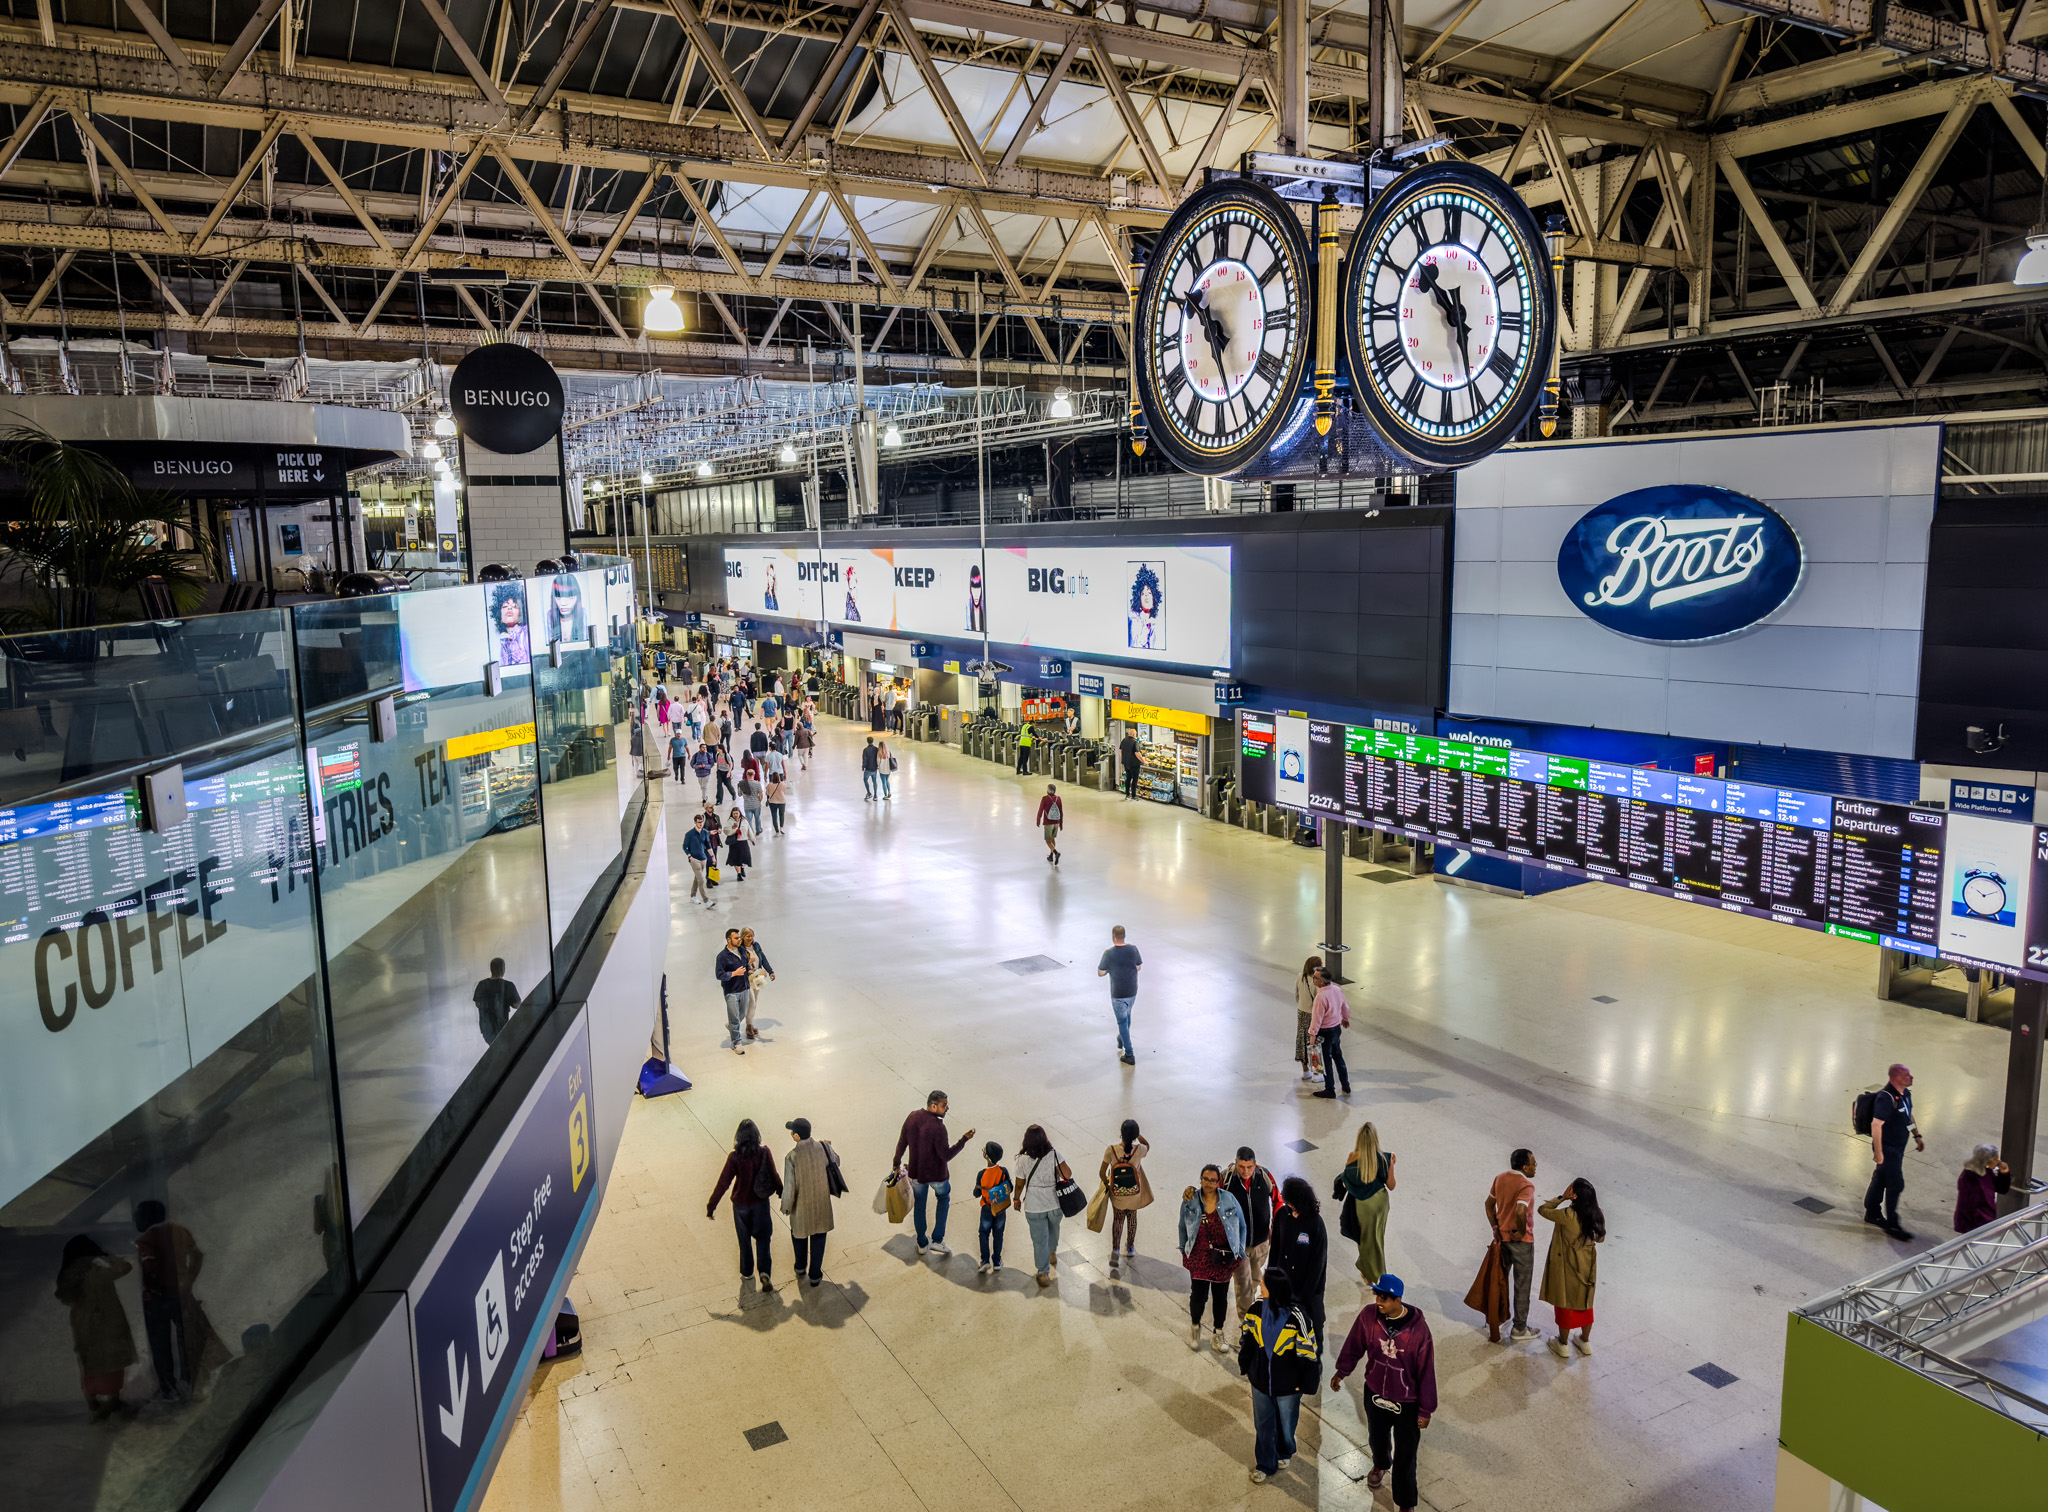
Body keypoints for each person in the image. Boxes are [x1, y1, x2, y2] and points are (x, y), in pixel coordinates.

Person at [1330, 1274, 1437, 1512]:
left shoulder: (1419, 1331)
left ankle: (1405, 1503)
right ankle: (1380, 1464)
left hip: (1407, 1401)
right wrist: (1342, 1371)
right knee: (1377, 1438)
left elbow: (1426, 1371)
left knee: (1406, 1455)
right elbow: (1354, 1344)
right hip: (1375, 1392)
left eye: (1384, 1298)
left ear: (1398, 1299)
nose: (1378, 1301)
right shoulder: (1369, 1316)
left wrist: (1425, 1410)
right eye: (1377, 1295)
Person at [1239, 1266, 1319, 1484]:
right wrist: (1246, 1366)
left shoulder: (1298, 1318)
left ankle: (1285, 1451)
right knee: (1263, 1426)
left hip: (1289, 1387)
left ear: (1274, 1289)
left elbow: (1309, 1354)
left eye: (1264, 1284)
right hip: (1260, 1383)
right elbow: (1247, 1340)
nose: (1260, 1286)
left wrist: (1305, 1385)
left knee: (1286, 1425)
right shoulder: (1255, 1310)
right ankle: (1265, 1464)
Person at [135, 1200, 220, 1401]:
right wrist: (188, 1281)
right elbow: (197, 1256)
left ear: (146, 1217)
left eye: (138, 1215)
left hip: (157, 1300)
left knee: (160, 1346)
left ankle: (168, 1388)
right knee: (187, 1342)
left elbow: (151, 1269)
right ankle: (189, 1382)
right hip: (182, 1295)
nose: (135, 1219)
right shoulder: (180, 1231)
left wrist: (155, 1291)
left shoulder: (146, 1239)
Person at [54, 1236, 135, 1420]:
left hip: (83, 1324)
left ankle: (93, 1403)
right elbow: (124, 1268)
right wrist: (107, 1255)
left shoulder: (67, 1274)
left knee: (89, 1363)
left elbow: (65, 1297)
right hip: (104, 1324)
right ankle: (113, 1402)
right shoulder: (94, 1270)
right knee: (111, 1362)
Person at [892, 1091, 974, 1258]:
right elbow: (946, 1155)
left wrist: (896, 1163)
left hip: (917, 1173)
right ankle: (937, 1240)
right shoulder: (938, 1128)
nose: (947, 1108)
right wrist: (963, 1140)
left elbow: (902, 1142)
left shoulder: (912, 1117)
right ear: (933, 1106)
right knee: (943, 1199)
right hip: (937, 1175)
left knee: (920, 1207)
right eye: (944, 1105)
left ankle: (922, 1243)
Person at [707, 1119, 783, 1289]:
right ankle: (764, 1273)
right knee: (763, 1239)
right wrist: (782, 1193)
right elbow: (774, 1174)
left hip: (741, 1206)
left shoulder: (734, 1157)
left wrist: (712, 1205)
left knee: (744, 1241)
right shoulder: (764, 1152)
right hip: (760, 1204)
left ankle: (747, 1272)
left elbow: (723, 1182)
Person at [1180, 1163, 1246, 1349]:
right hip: (1198, 1257)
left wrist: (1239, 1250)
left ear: (1218, 1182)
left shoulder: (1229, 1199)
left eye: (1213, 1180)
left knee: (1220, 1297)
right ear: (1200, 1179)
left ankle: (1218, 1333)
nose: (1209, 1183)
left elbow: (1242, 1225)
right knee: (1198, 1296)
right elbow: (1182, 1226)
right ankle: (1195, 1328)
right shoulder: (1190, 1199)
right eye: (1205, 1179)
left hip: (1223, 1258)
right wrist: (1184, 1250)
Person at [1539, 1177, 1606, 1359]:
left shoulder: (1568, 1215)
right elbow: (1601, 1238)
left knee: (1565, 1303)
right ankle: (1585, 1341)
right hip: (1587, 1266)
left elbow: (1543, 1210)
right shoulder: (1597, 1214)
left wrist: (1562, 1197)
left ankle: (1562, 1344)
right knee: (1585, 1303)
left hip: (1566, 1266)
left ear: (1574, 1195)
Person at [1487, 1149, 1540, 1345]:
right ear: (1525, 1167)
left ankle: (1495, 1320)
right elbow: (1520, 1210)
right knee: (1522, 1284)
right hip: (1521, 1242)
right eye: (1533, 1163)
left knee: (1499, 1281)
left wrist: (1495, 1227)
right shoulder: (1526, 1185)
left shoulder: (1500, 1178)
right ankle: (1519, 1328)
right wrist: (1521, 1231)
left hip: (1502, 1239)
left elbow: (1488, 1204)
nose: (1535, 1167)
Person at [1865, 1063, 1924, 1240]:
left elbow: (1908, 1116)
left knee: (1880, 1178)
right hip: (1887, 1149)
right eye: (1906, 1075)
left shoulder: (1905, 1094)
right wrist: (1878, 1152)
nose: (1911, 1077)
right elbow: (1876, 1125)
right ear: (1896, 1078)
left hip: (1898, 1148)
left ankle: (1872, 1212)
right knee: (1896, 1184)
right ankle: (1892, 1224)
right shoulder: (1885, 1097)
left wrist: (1916, 1135)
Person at [780, 1118, 838, 1288]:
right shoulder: (824, 1147)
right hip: (821, 1204)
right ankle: (815, 1275)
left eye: (792, 1132)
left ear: (797, 1136)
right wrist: (830, 1147)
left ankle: (800, 1267)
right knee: (819, 1237)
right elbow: (837, 1162)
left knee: (799, 1236)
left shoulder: (791, 1157)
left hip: (801, 1207)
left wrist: (786, 1206)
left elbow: (789, 1186)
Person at [1224, 1148, 1280, 1321]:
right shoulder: (1226, 1179)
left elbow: (1277, 1201)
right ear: (1236, 1163)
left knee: (1255, 1278)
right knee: (1243, 1285)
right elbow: (1210, 1199)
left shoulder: (1265, 1176)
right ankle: (1246, 1323)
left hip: (1261, 1241)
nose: (1245, 1171)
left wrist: (1274, 1227)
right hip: (1238, 1245)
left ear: (1255, 1164)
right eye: (1241, 1167)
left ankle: (1249, 1309)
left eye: (1249, 1167)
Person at [1271, 1177, 1328, 1342]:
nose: (1288, 1205)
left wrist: (1303, 1296)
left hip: (1308, 1290)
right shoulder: (1282, 1215)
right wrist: (1271, 1278)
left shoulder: (1315, 1223)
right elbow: (1275, 1250)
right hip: (1284, 1285)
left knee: (1312, 1327)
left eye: (1291, 1202)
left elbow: (1318, 1264)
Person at [1017, 1124, 1073, 1287]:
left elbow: (1020, 1184)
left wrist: (1016, 1199)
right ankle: (1052, 1252)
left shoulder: (1022, 1160)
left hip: (1034, 1206)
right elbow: (1067, 1174)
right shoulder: (1054, 1155)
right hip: (1055, 1203)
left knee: (1039, 1239)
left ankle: (1043, 1273)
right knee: (1054, 1229)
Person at [1340, 1122, 1396, 1282]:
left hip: (1362, 1205)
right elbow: (1391, 1186)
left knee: (1365, 1239)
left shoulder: (1351, 1157)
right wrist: (1392, 1165)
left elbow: (1345, 1183)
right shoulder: (1385, 1158)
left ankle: (1372, 1275)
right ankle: (1370, 1271)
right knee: (1377, 1238)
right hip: (1379, 1203)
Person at [1099, 1119, 1153, 1275]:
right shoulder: (1140, 1150)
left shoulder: (1111, 1150)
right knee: (1132, 1217)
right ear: (1135, 1135)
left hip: (1118, 1193)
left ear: (1120, 1133)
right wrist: (1138, 1135)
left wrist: (1107, 1182)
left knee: (1118, 1219)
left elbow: (1101, 1172)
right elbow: (1147, 1145)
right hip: (1134, 1192)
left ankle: (1115, 1250)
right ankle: (1130, 1247)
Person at [1097, 924, 1142, 1066]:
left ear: (1113, 937)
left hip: (1118, 993)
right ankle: (1122, 1038)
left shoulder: (1108, 953)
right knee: (1127, 1015)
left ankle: (1129, 1054)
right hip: (1132, 991)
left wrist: (1110, 969)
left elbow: (1100, 972)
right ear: (1124, 936)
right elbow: (1138, 967)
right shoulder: (1133, 949)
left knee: (1122, 1022)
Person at [1307, 965, 1352, 1098]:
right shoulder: (1337, 989)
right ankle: (1346, 1086)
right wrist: (1345, 1018)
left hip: (1324, 1032)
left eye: (1315, 978)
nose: (1313, 979)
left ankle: (1330, 1089)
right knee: (1338, 1057)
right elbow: (1344, 1006)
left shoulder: (1321, 997)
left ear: (1321, 981)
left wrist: (1312, 1035)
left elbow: (1317, 1018)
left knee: (1326, 1062)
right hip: (1336, 1029)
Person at [1956, 1144, 2013, 1232]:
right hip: (1975, 1224)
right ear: (1987, 1160)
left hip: (1985, 1220)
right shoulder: (1969, 1178)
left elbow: (2002, 1189)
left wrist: (2004, 1174)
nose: (1998, 1162)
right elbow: (1968, 1207)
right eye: (1995, 1159)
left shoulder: (1987, 1172)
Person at [976, 1140, 1012, 1275]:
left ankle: (985, 1260)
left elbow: (976, 1193)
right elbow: (1010, 1187)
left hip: (986, 1208)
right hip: (1000, 1208)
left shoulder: (981, 1174)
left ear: (987, 1156)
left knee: (984, 1233)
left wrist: (981, 1188)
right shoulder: (1003, 1171)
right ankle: (997, 1261)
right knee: (998, 1233)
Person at [715, 928, 751, 1054]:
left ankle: (731, 1026)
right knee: (735, 1018)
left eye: (740, 937)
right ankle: (736, 1043)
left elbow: (746, 964)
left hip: (744, 988)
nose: (739, 940)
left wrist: (749, 970)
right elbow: (719, 975)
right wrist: (734, 973)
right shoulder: (722, 957)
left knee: (742, 1013)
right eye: (736, 938)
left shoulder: (742, 950)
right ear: (728, 940)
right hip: (731, 992)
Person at [472, 958, 520, 1044]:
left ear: (491, 969)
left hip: (486, 1027)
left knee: (493, 1047)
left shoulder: (482, 984)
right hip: (502, 1026)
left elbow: (477, 1003)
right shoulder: (508, 985)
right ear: (502, 969)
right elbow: (516, 1005)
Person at [740, 928, 775, 1042]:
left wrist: (770, 971)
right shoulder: (740, 949)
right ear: (743, 937)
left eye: (752, 936)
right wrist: (747, 964)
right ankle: (748, 1026)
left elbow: (763, 959)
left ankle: (750, 1023)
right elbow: (738, 964)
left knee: (755, 1001)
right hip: (747, 979)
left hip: (758, 977)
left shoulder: (756, 946)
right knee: (751, 1002)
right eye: (748, 936)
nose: (751, 938)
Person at [1294, 954, 1323, 1082]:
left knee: (1302, 1042)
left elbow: (1296, 995)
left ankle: (1305, 1071)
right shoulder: (1317, 982)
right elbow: (1319, 1001)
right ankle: (1317, 1072)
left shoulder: (1300, 977)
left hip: (1301, 1013)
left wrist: (1302, 1006)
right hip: (1313, 1015)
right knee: (1314, 1044)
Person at [683, 812, 715, 907]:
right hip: (694, 860)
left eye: (702, 822)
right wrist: (690, 856)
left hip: (703, 859)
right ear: (695, 822)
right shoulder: (689, 834)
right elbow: (684, 846)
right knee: (701, 880)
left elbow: (708, 845)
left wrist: (713, 856)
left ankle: (693, 896)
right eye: (699, 822)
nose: (701, 824)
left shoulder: (705, 832)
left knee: (697, 878)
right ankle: (706, 900)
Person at [1035, 782, 1064, 866]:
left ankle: (1056, 852)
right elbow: (1061, 812)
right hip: (1056, 823)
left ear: (1048, 790)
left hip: (1048, 823)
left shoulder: (1045, 798)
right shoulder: (1058, 798)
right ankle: (1051, 856)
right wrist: (1061, 823)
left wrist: (1038, 820)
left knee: (1048, 840)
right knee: (1052, 839)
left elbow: (1040, 810)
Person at [723, 807, 753, 880]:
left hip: (743, 841)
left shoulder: (744, 821)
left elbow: (749, 830)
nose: (735, 815)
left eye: (737, 813)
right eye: (734, 814)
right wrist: (733, 829)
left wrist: (752, 839)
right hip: (734, 843)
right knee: (736, 859)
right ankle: (739, 874)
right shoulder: (730, 821)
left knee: (746, 857)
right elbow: (725, 830)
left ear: (739, 813)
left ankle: (742, 868)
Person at [738, 767, 765, 837]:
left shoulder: (742, 784)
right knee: (757, 818)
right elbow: (761, 794)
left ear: (746, 775)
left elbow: (739, 794)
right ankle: (758, 830)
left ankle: (751, 832)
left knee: (749, 820)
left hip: (747, 805)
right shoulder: (757, 783)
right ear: (754, 774)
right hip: (756, 805)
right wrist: (758, 801)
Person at [1119, 728, 1140, 799]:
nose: (1136, 735)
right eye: (1136, 733)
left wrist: (1123, 759)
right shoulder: (1135, 742)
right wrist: (1144, 761)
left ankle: (1127, 794)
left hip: (1126, 763)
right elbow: (1137, 753)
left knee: (1128, 778)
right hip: (1134, 764)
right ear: (1134, 734)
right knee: (1134, 780)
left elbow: (1120, 751)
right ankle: (1133, 795)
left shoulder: (1123, 741)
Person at [765, 769, 788, 835]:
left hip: (772, 802)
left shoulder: (769, 785)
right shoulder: (782, 784)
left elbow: (767, 793)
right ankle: (781, 828)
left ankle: (777, 831)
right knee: (781, 815)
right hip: (781, 802)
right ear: (779, 777)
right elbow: (784, 790)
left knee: (774, 817)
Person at [861, 736, 880, 801]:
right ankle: (875, 795)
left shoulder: (865, 750)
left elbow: (864, 759)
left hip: (868, 768)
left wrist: (863, 767)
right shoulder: (876, 749)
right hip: (874, 768)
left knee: (865, 779)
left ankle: (869, 792)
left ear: (867, 741)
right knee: (874, 781)